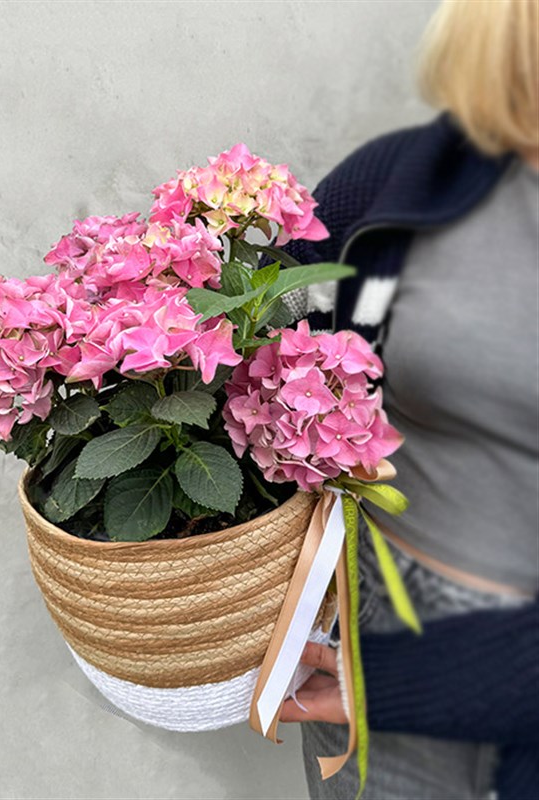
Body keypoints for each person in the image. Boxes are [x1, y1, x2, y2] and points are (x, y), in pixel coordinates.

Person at [274, 1, 539, 798]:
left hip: (457, 681)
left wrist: (390, 680)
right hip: (361, 623)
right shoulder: (396, 183)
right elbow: (260, 354)